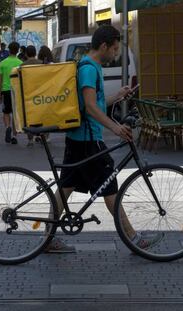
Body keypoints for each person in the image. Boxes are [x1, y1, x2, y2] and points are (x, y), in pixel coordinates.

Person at [45, 25, 162, 252]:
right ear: (104, 46)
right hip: (89, 141)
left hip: (78, 139)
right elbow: (89, 107)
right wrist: (116, 128)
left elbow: (94, 103)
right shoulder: (89, 69)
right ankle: (135, 240)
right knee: (110, 190)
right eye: (115, 49)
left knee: (66, 187)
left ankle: (46, 238)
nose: (116, 54)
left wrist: (116, 96)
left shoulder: (92, 67)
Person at [0, 41, 23, 144]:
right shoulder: (20, 63)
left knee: (6, 112)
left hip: (6, 90)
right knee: (15, 113)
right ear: (17, 50)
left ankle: (7, 127)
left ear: (9, 49)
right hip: (16, 90)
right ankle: (14, 135)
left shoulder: (3, 63)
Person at [21, 45, 43, 147]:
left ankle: (30, 139)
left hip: (27, 93)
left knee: (29, 117)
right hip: (40, 93)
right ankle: (42, 135)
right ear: (35, 53)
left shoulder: (22, 65)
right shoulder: (41, 64)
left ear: (26, 54)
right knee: (42, 115)